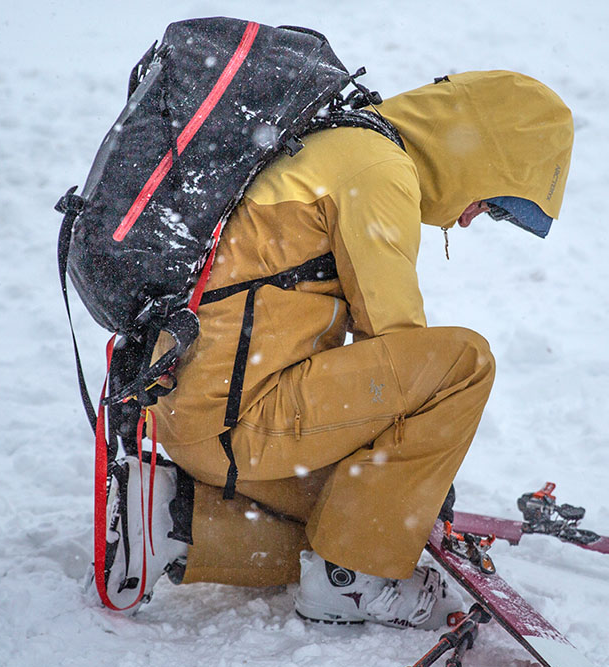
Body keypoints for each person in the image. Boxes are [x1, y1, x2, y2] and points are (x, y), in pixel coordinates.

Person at [98, 70, 573, 629]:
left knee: (353, 517)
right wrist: (417, 475)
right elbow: (397, 341)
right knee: (464, 366)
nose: (473, 219)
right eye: (494, 205)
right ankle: (353, 584)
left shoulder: (337, 141)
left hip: (199, 412)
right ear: (480, 156)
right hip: (243, 417)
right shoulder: (376, 166)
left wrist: (402, 502)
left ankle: (171, 524)